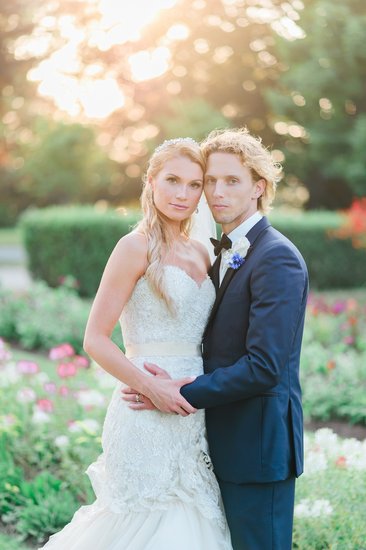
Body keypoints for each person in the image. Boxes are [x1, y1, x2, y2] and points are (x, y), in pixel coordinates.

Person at [40, 137, 232, 550]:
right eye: (172, 180)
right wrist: (153, 387)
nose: (183, 194)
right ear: (150, 181)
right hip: (144, 412)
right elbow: (94, 338)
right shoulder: (135, 247)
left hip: (195, 412)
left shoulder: (203, 252)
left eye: (195, 184)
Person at [124, 128, 309, 549]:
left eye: (232, 181)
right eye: (210, 181)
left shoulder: (277, 257)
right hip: (216, 443)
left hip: (257, 450)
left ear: (258, 188)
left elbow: (264, 366)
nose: (216, 192)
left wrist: (178, 390)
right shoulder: (222, 250)